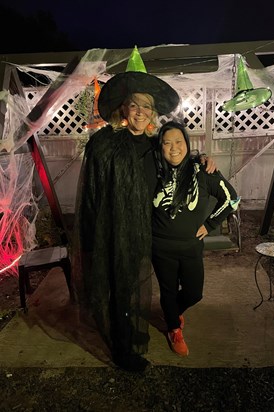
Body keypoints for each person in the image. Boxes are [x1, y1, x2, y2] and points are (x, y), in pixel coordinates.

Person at [71, 47, 217, 372]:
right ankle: (123, 351)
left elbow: (178, 158)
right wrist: (94, 235)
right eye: (134, 104)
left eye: (146, 107)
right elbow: (91, 192)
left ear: (153, 114)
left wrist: (203, 159)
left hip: (145, 232)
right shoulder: (104, 143)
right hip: (112, 231)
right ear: (124, 107)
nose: (139, 111)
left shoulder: (155, 146)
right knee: (118, 290)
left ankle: (136, 328)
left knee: (134, 286)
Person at [151, 120, 240, 357]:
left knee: (194, 293)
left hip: (191, 246)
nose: (173, 148)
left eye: (178, 142)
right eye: (167, 143)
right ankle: (173, 328)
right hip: (160, 247)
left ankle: (172, 312)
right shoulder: (152, 171)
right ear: (160, 147)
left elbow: (232, 199)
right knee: (167, 291)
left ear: (187, 144)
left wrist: (210, 224)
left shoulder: (202, 171)